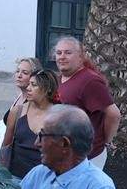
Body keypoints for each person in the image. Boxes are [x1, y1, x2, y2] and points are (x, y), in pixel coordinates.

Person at [50, 37, 120, 169]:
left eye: (68, 53)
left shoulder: (90, 81)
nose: (62, 57)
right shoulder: (60, 79)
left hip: (86, 158)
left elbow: (114, 114)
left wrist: (105, 142)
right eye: (59, 53)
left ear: (81, 56)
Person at [2, 68, 57, 178]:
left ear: (48, 89)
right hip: (16, 178)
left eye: (34, 85)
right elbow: (6, 146)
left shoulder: (58, 116)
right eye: (29, 84)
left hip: (44, 179)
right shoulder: (17, 112)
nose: (28, 88)